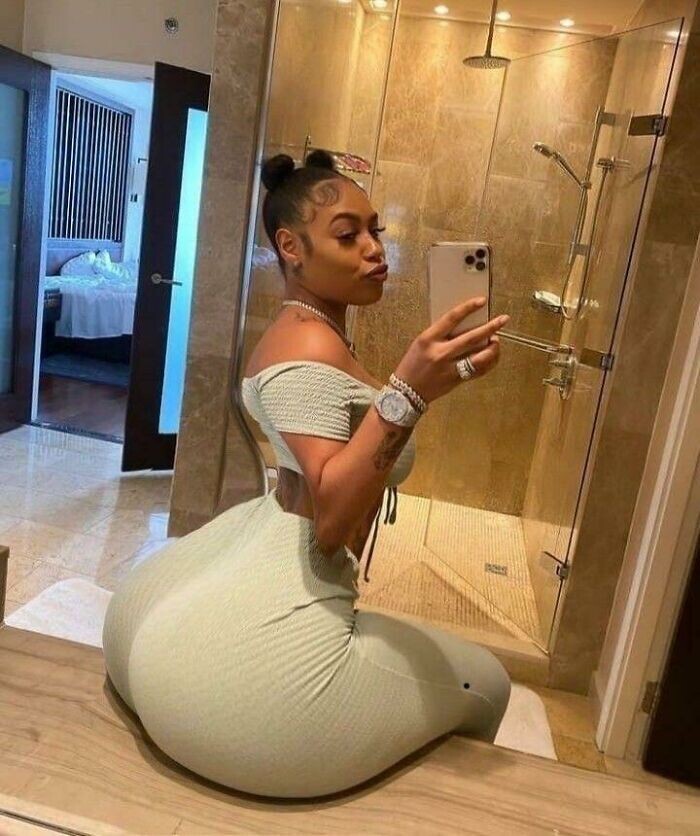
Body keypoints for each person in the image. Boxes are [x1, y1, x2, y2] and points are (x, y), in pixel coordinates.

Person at [102, 149, 512, 799]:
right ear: (290, 247)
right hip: (271, 637)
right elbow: (331, 521)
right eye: (348, 236)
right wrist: (409, 391)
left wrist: (432, 383)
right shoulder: (311, 345)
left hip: (249, 553)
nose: (374, 249)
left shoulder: (304, 328)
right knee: (487, 683)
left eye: (375, 230)